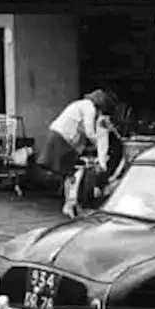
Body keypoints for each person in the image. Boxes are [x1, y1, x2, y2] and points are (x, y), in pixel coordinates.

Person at [40, 89, 117, 218]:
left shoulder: (80, 105)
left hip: (60, 136)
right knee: (72, 174)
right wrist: (99, 149)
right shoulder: (89, 108)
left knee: (69, 174)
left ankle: (69, 205)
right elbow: (89, 132)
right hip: (63, 139)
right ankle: (70, 205)